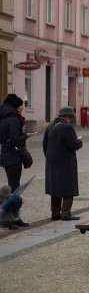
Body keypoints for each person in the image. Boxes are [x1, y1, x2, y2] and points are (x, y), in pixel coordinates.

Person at [42, 106, 83, 221]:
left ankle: (55, 213)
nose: (71, 120)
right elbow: (73, 145)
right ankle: (66, 213)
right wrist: (79, 141)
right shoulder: (67, 127)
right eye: (71, 118)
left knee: (55, 187)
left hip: (52, 162)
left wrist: (50, 157)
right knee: (68, 187)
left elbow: (44, 145)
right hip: (66, 162)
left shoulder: (50, 126)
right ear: (67, 116)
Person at [0, 94, 35, 228]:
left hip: (6, 155)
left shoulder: (4, 117)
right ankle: (7, 219)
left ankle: (14, 217)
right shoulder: (13, 120)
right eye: (21, 105)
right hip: (13, 157)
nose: (22, 108)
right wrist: (26, 135)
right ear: (15, 107)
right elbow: (15, 139)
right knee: (14, 189)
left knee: (13, 187)